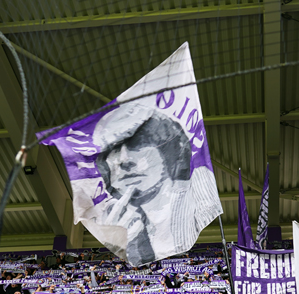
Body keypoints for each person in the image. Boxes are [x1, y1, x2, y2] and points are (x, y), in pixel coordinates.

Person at [92, 103, 221, 266]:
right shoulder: (106, 213)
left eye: (137, 143)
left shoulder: (197, 191)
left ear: (168, 149)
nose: (124, 160)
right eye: (113, 149)